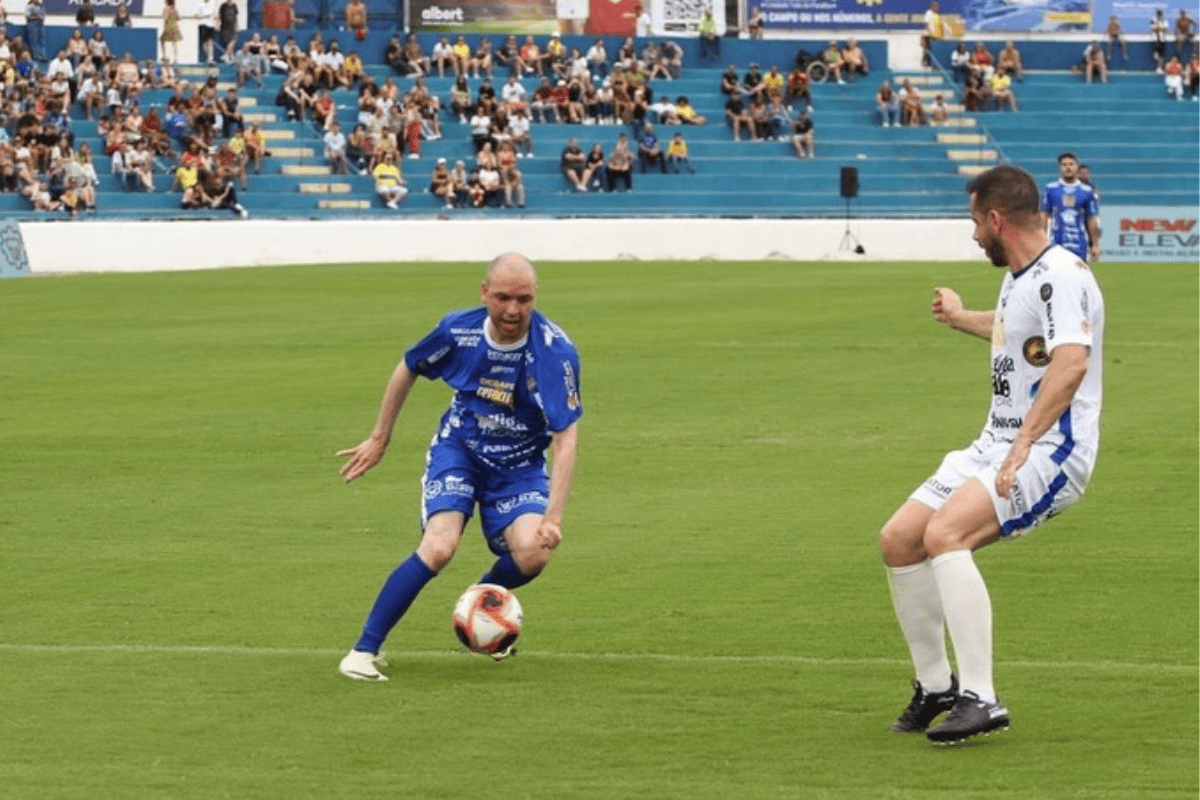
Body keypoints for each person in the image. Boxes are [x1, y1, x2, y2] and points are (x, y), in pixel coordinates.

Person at [880, 163, 1105, 746]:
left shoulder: (1063, 276)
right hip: (993, 443)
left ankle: (982, 697)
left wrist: (1025, 442)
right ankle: (937, 687)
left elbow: (1070, 362)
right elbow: (1018, 334)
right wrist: (959, 319)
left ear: (997, 219)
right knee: (901, 539)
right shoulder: (1022, 276)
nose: (974, 233)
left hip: (1053, 448)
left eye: (975, 221)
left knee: (946, 535)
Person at [337, 254, 582, 682]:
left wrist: (554, 516)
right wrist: (380, 436)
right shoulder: (458, 329)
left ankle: (478, 602)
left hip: (520, 465)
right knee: (439, 546)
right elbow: (408, 367)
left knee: (534, 552)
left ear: (535, 297)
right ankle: (362, 652)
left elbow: (566, 437)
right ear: (484, 291)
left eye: (523, 299)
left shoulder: (555, 353)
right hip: (460, 452)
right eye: (503, 297)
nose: (512, 310)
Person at [1041, 151, 1100, 262]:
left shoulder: (1087, 191)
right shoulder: (1050, 189)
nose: (1068, 167)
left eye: (1071, 164)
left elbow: (1092, 219)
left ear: (1076, 167)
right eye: (1064, 165)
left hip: (1079, 245)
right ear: (1060, 168)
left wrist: (1095, 244)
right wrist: (1041, 241)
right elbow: (1044, 217)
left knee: (1079, 277)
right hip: (1056, 244)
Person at [922, 1, 945, 68]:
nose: (936, 8)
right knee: (928, 48)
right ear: (932, 7)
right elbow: (926, 23)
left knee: (934, 49)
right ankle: (926, 62)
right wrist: (929, 32)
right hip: (929, 34)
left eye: (937, 7)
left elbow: (940, 24)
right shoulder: (929, 13)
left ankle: (933, 62)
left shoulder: (937, 14)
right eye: (934, 6)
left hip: (936, 35)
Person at [196, 0, 217, 64]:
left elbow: (215, 14)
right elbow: (197, 15)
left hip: (211, 25)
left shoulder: (213, 4)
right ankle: (208, 56)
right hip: (203, 24)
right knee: (205, 42)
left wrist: (215, 18)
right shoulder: (199, 4)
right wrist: (199, 16)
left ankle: (211, 58)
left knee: (210, 41)